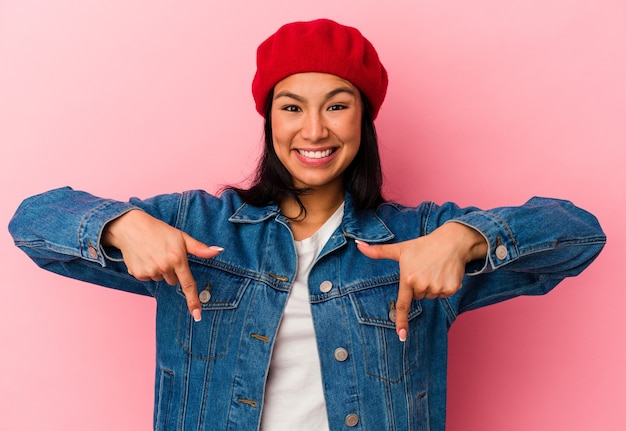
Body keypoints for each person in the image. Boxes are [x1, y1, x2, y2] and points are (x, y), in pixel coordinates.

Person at [9, 18, 605, 431]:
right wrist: (120, 225)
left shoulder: (418, 239)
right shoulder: (199, 224)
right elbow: (33, 222)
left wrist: (466, 237)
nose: (314, 130)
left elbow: (579, 235)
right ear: (269, 119)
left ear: (364, 120)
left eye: (337, 105)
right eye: (291, 106)